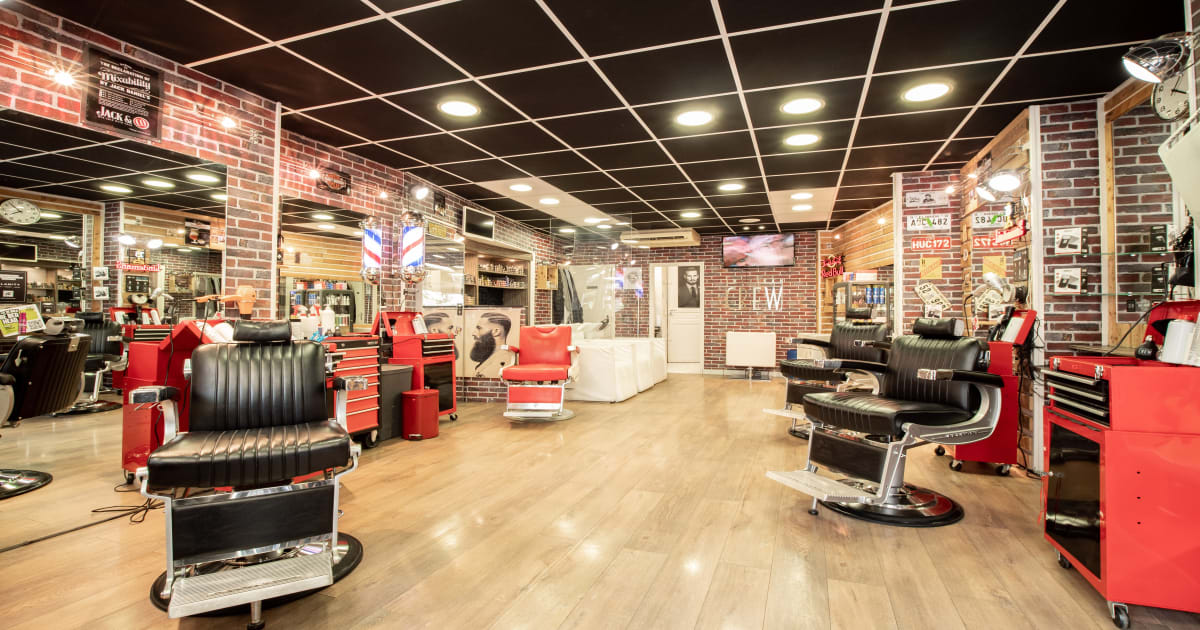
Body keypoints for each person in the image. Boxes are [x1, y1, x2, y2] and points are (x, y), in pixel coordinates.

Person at [469, 311, 513, 377]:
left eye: (479, 328)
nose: (473, 333)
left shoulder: (502, 362)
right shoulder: (492, 358)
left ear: (496, 332)